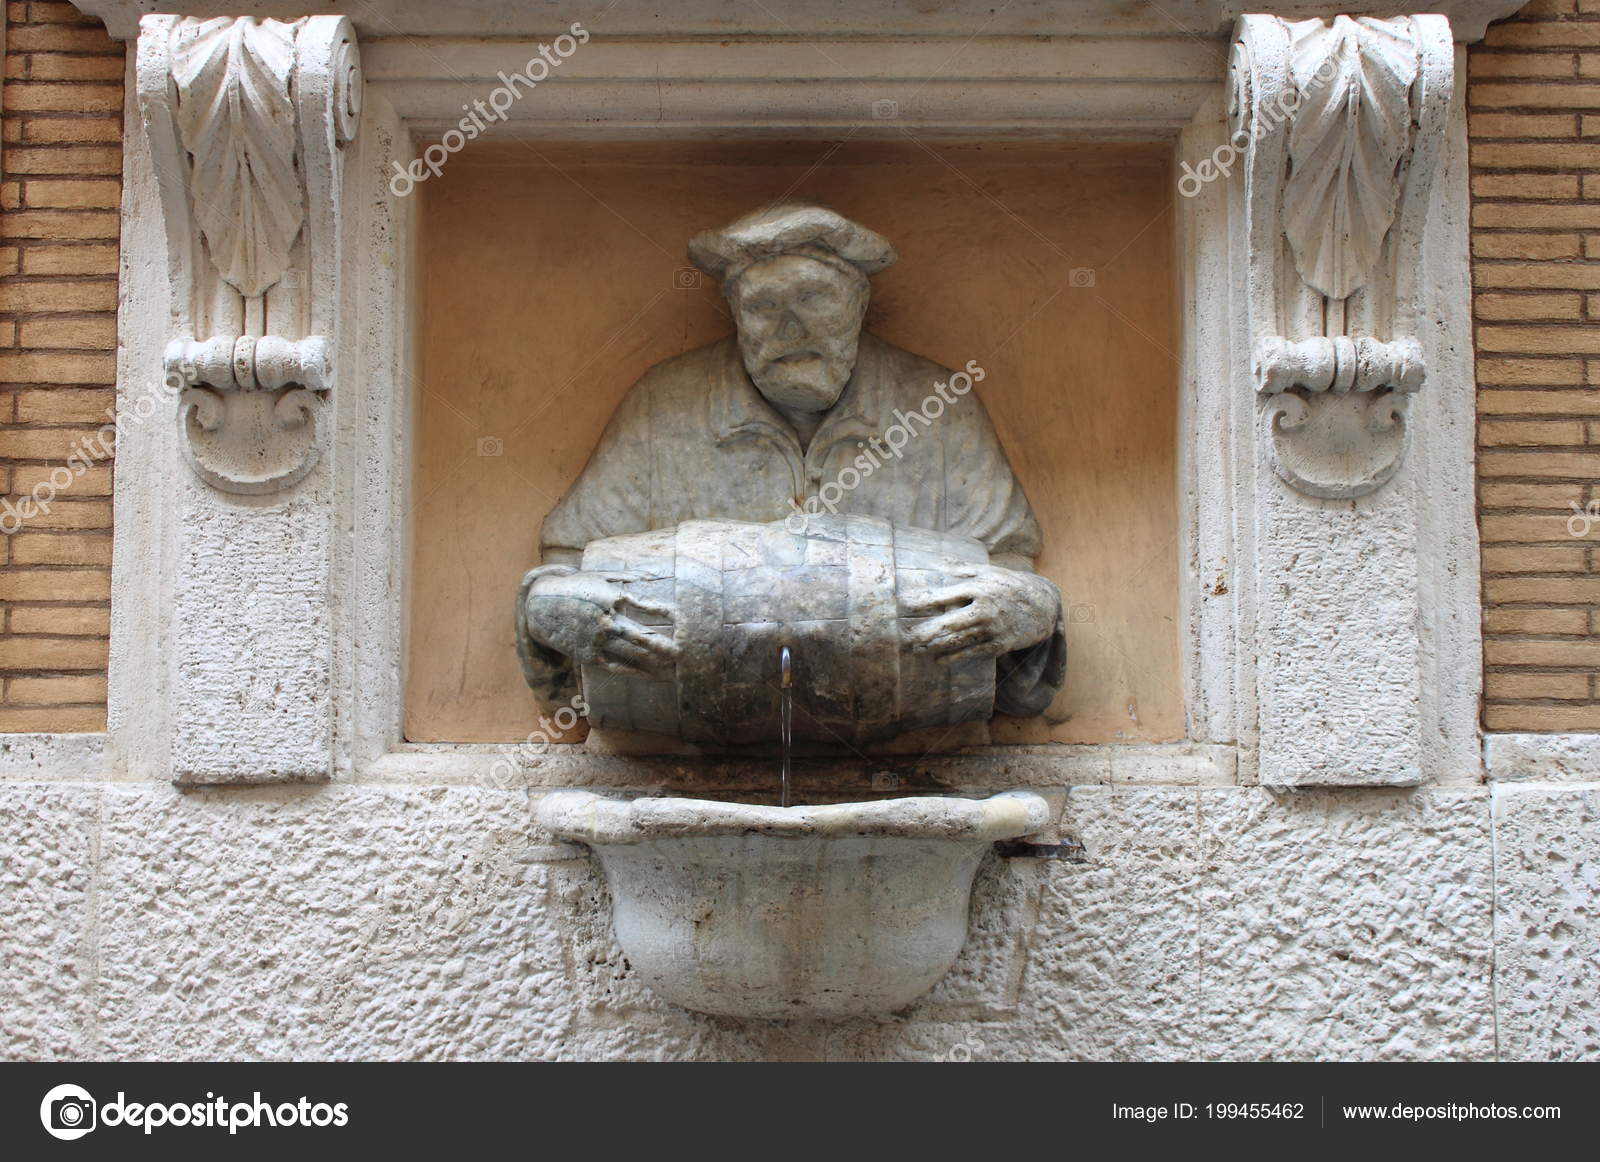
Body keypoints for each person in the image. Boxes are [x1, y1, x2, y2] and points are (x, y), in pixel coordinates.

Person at [517, 203, 1065, 718]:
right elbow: (572, 566)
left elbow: (1009, 573)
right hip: (691, 735)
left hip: (909, 736)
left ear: (859, 305)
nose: (790, 328)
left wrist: (1031, 609)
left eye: (814, 299)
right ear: (734, 313)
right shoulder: (667, 404)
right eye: (763, 306)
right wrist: (552, 606)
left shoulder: (936, 404)